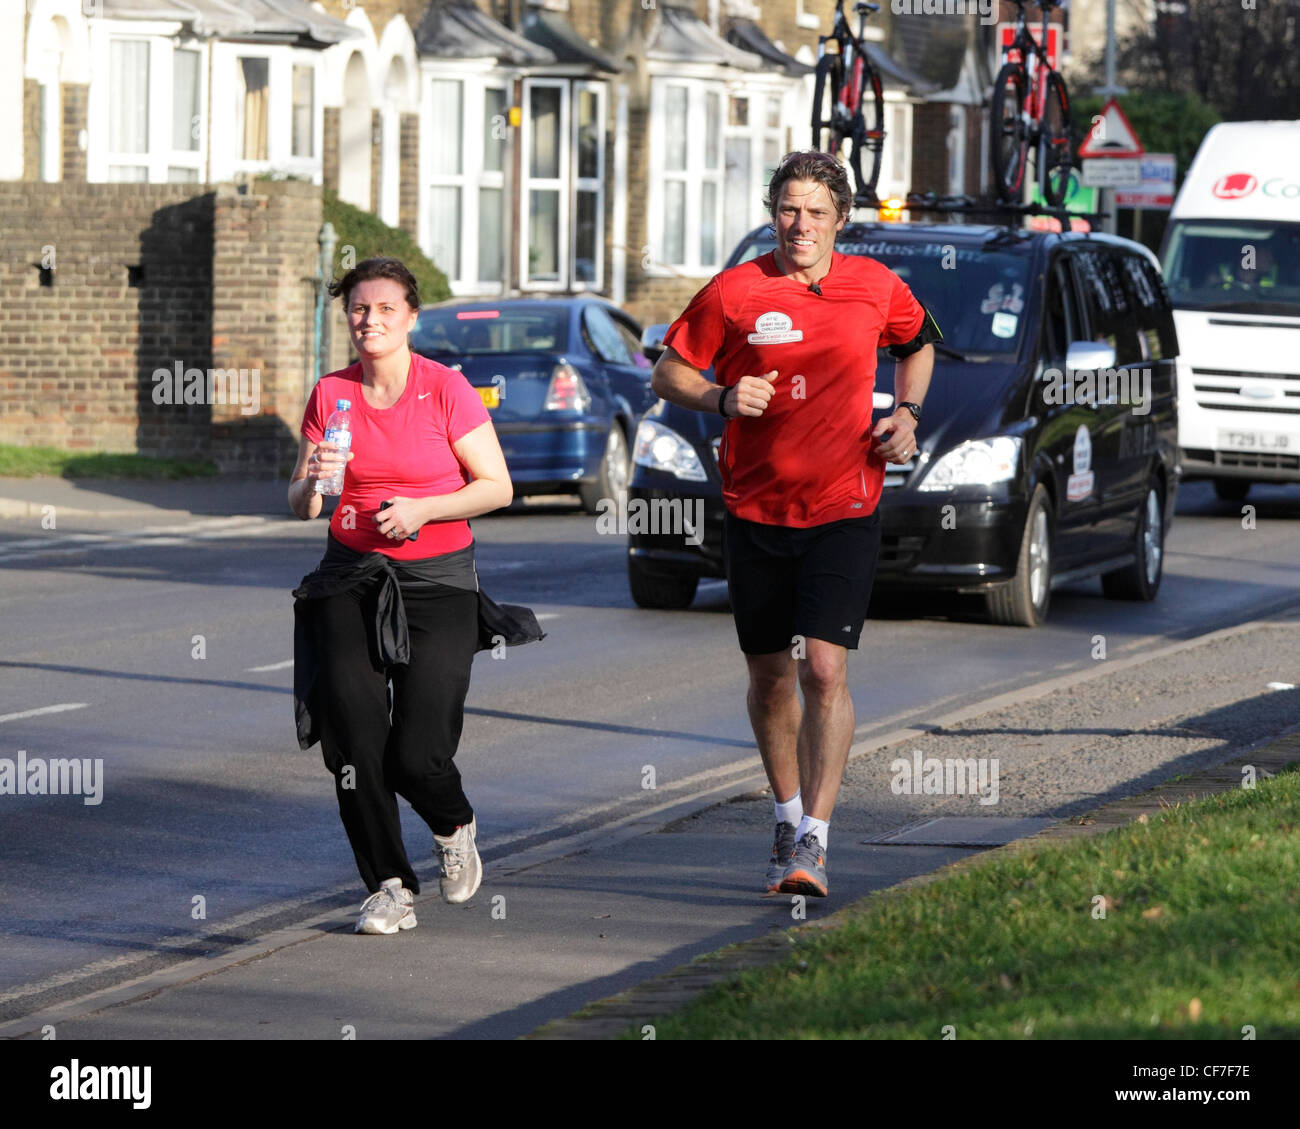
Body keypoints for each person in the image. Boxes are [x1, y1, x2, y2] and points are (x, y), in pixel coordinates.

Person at [651, 151, 941, 898]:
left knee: (823, 666)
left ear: (841, 219)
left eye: (815, 211)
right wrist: (720, 396)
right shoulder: (736, 289)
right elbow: (667, 372)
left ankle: (816, 835)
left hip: (845, 503)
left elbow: (917, 343)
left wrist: (907, 414)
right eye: (787, 208)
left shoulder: (874, 286)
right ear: (771, 212)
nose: (799, 224)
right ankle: (784, 816)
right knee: (770, 674)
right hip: (755, 506)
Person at [289, 257, 536, 935]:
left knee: (415, 753)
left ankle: (454, 825)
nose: (369, 321)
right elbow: (300, 502)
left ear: (411, 317)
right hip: (348, 577)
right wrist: (313, 479)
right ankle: (389, 885)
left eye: (384, 309)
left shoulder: (445, 389)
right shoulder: (329, 393)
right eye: (358, 310)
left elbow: (497, 486)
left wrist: (425, 509)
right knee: (353, 739)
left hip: (437, 583)